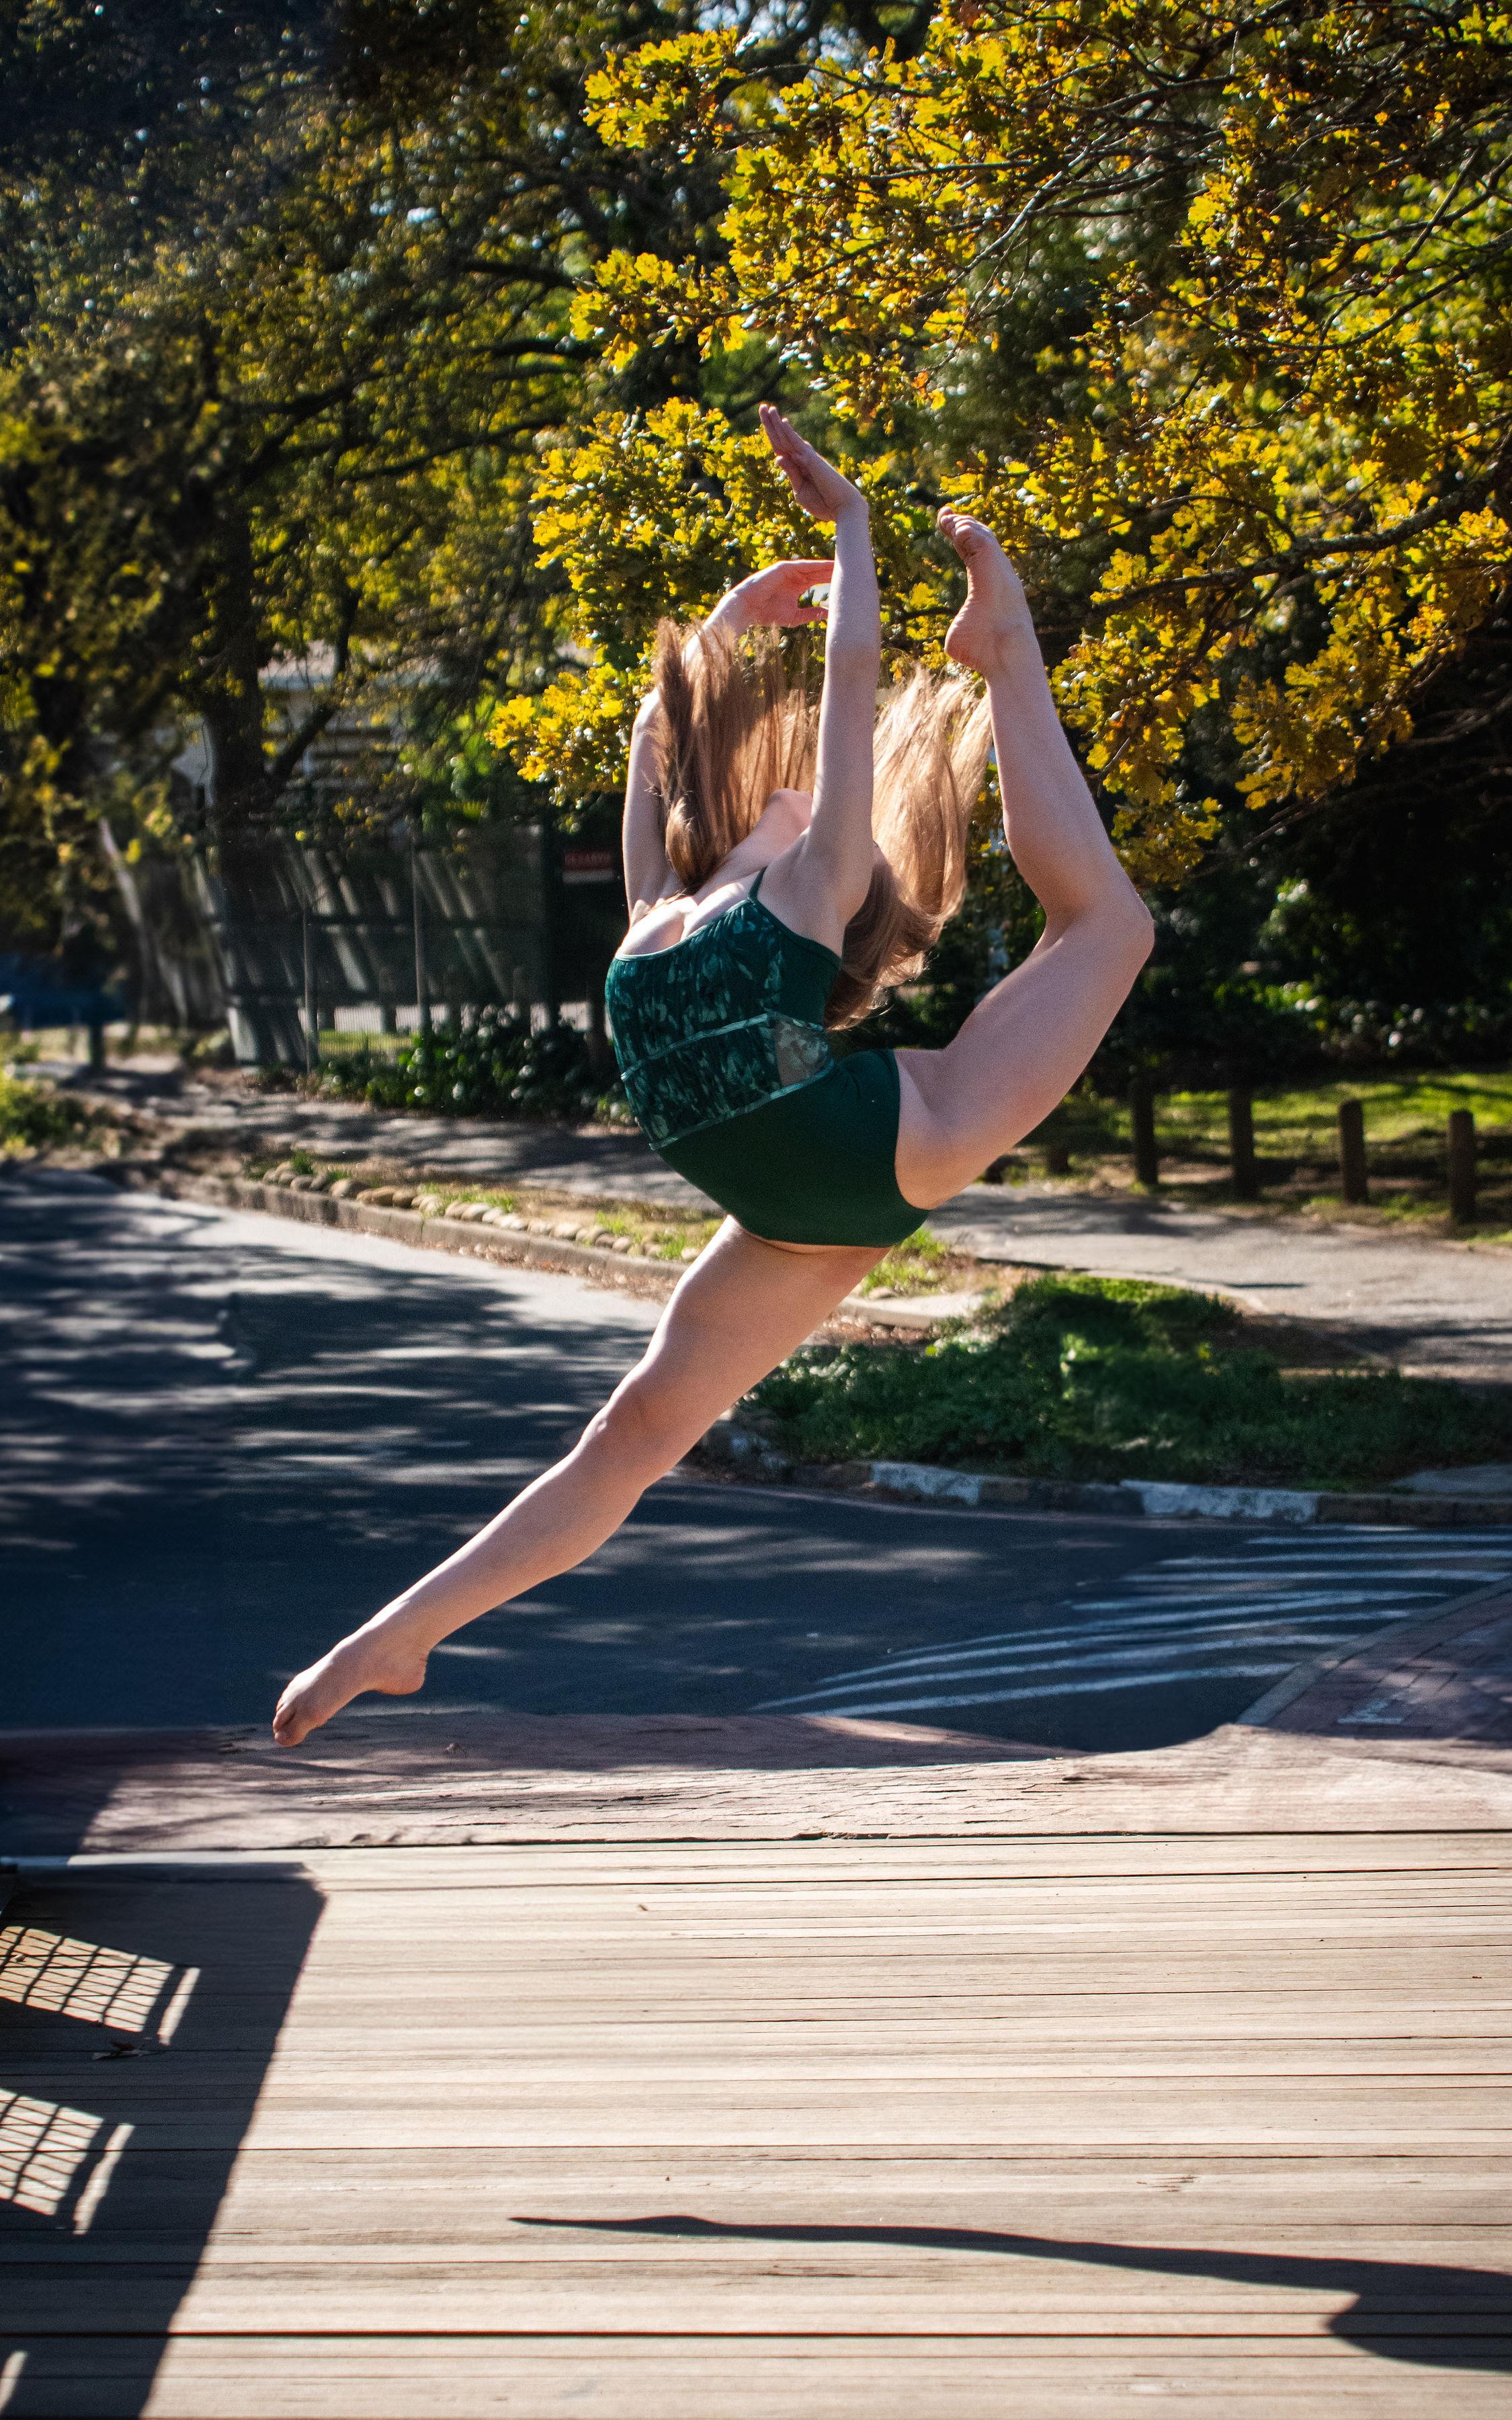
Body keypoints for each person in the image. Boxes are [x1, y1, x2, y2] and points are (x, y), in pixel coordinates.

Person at [271, 404, 1152, 1748]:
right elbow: (684, 731)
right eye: (790, 778)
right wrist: (794, 579)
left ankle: (1005, 650)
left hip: (819, 1170)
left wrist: (796, 581)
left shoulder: (715, 909)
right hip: (841, 1170)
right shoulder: (734, 898)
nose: (807, 778)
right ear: (746, 806)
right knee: (1108, 930)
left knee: (1109, 930)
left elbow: (723, 719)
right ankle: (394, 1640)